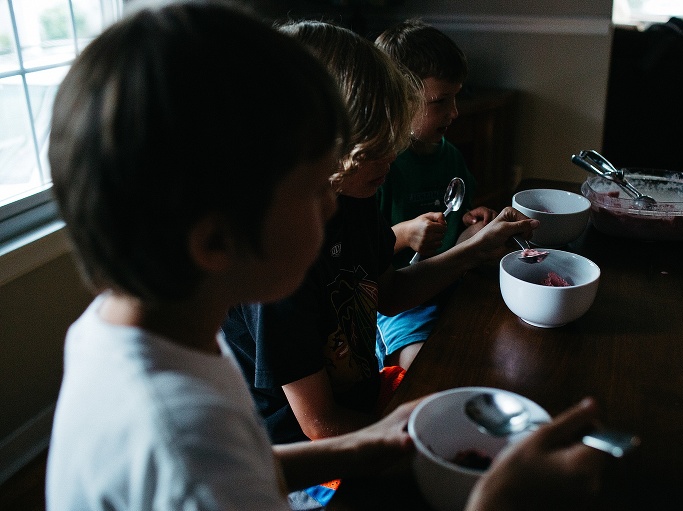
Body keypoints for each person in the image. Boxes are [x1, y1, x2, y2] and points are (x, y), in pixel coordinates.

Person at [44, 2, 608, 510]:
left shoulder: (130, 335)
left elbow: (250, 462)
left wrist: (362, 446)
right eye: (315, 189)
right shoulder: (190, 459)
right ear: (216, 241)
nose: (332, 206)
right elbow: (220, 470)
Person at [221, 19, 538, 449]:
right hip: (307, 457)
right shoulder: (277, 263)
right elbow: (320, 426)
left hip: (363, 406)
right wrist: (432, 441)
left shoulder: (354, 192)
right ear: (316, 143)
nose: (393, 155)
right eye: (375, 148)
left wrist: (472, 250)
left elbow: (385, 291)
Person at [374, 18, 496, 371]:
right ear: (398, 98)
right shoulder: (380, 169)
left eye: (456, 97)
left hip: (450, 282)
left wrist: (472, 226)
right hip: (400, 302)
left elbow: (457, 225)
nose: (454, 112)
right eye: (440, 101)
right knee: (424, 367)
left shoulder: (451, 157)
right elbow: (363, 252)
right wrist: (404, 234)